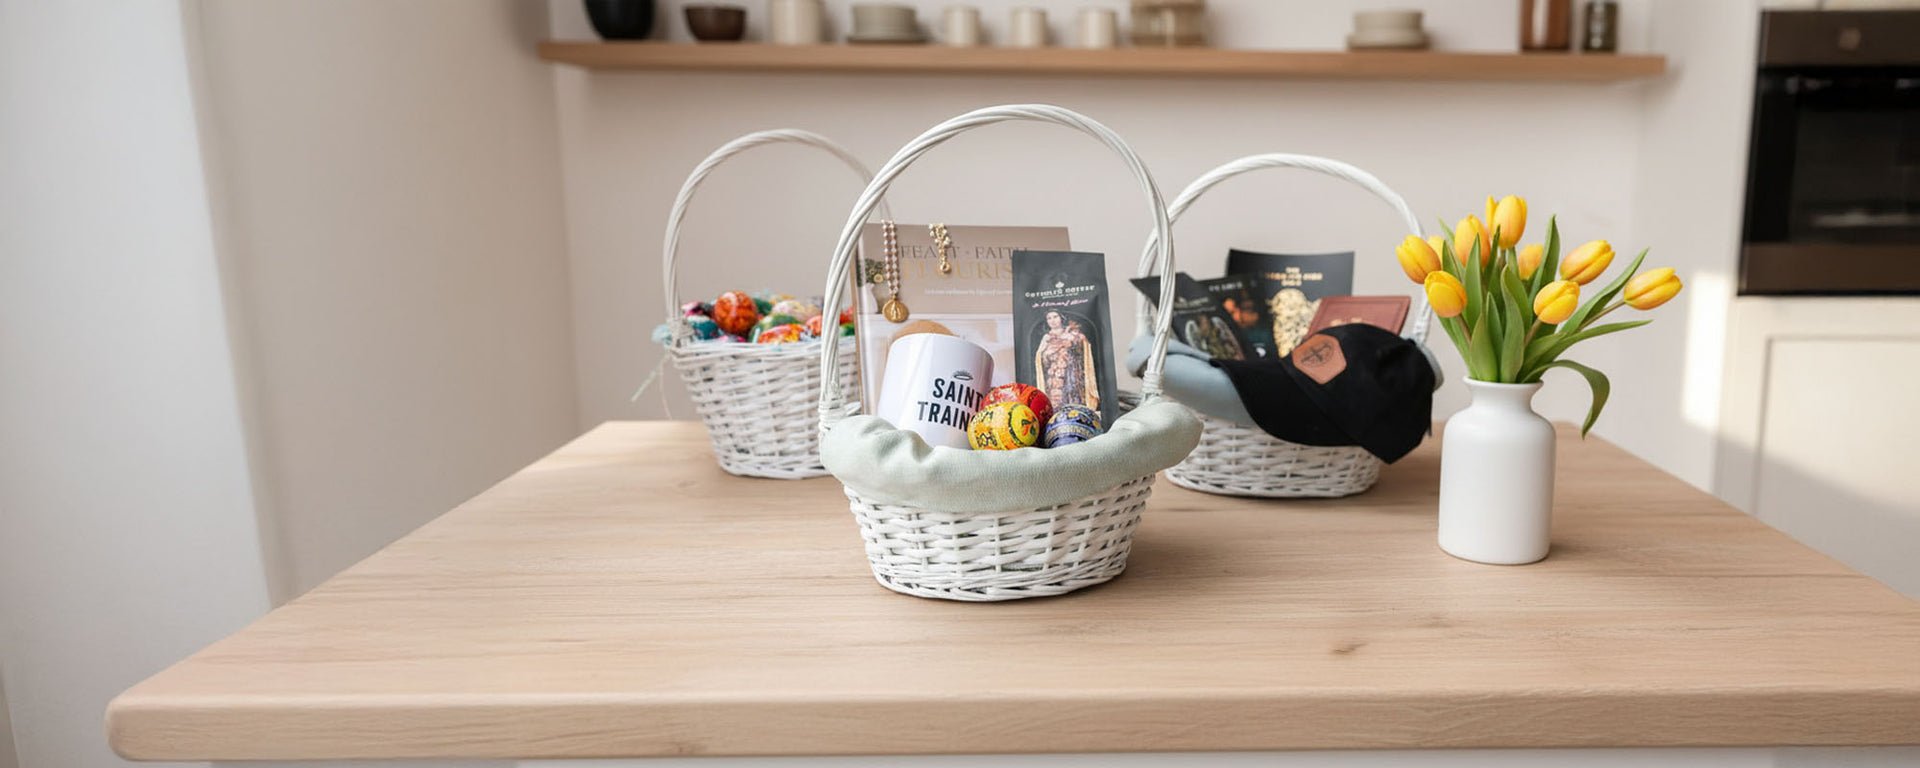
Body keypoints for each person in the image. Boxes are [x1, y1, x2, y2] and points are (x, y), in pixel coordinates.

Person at [1036, 310, 1099, 414]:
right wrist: (1048, 354)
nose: (1052, 320)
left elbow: (1082, 350)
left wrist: (1073, 340)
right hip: (1054, 375)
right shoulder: (1046, 338)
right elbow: (1041, 359)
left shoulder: (1073, 333)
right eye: (1049, 318)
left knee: (1073, 394)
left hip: (1072, 371)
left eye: (1055, 317)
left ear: (1061, 318)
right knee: (1056, 400)